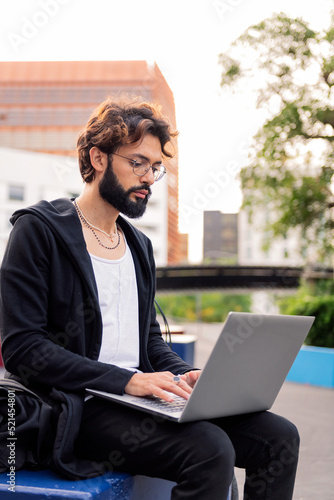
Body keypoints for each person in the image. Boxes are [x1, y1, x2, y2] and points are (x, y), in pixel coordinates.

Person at [0, 96, 300, 499]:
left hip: (140, 400)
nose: (148, 178)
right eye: (138, 163)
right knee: (209, 449)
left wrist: (184, 377)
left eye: (156, 168)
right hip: (80, 404)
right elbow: (22, 347)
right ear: (99, 158)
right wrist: (128, 381)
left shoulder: (138, 245)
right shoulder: (39, 231)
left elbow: (149, 341)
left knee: (279, 437)